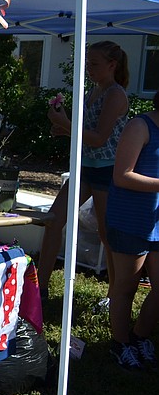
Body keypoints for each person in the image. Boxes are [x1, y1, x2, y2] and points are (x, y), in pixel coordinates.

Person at [38, 40, 130, 300]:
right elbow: (85, 134)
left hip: (105, 171)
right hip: (85, 167)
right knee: (53, 220)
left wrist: (66, 123)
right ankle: (40, 287)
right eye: (87, 62)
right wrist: (64, 128)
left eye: (94, 64)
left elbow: (99, 138)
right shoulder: (95, 90)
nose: (88, 68)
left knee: (106, 234)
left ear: (112, 65)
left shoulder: (115, 94)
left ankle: (116, 296)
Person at [104, 91, 159, 371]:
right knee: (126, 287)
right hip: (131, 220)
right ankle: (120, 343)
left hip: (157, 221)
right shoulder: (140, 126)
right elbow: (121, 175)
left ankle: (140, 337)